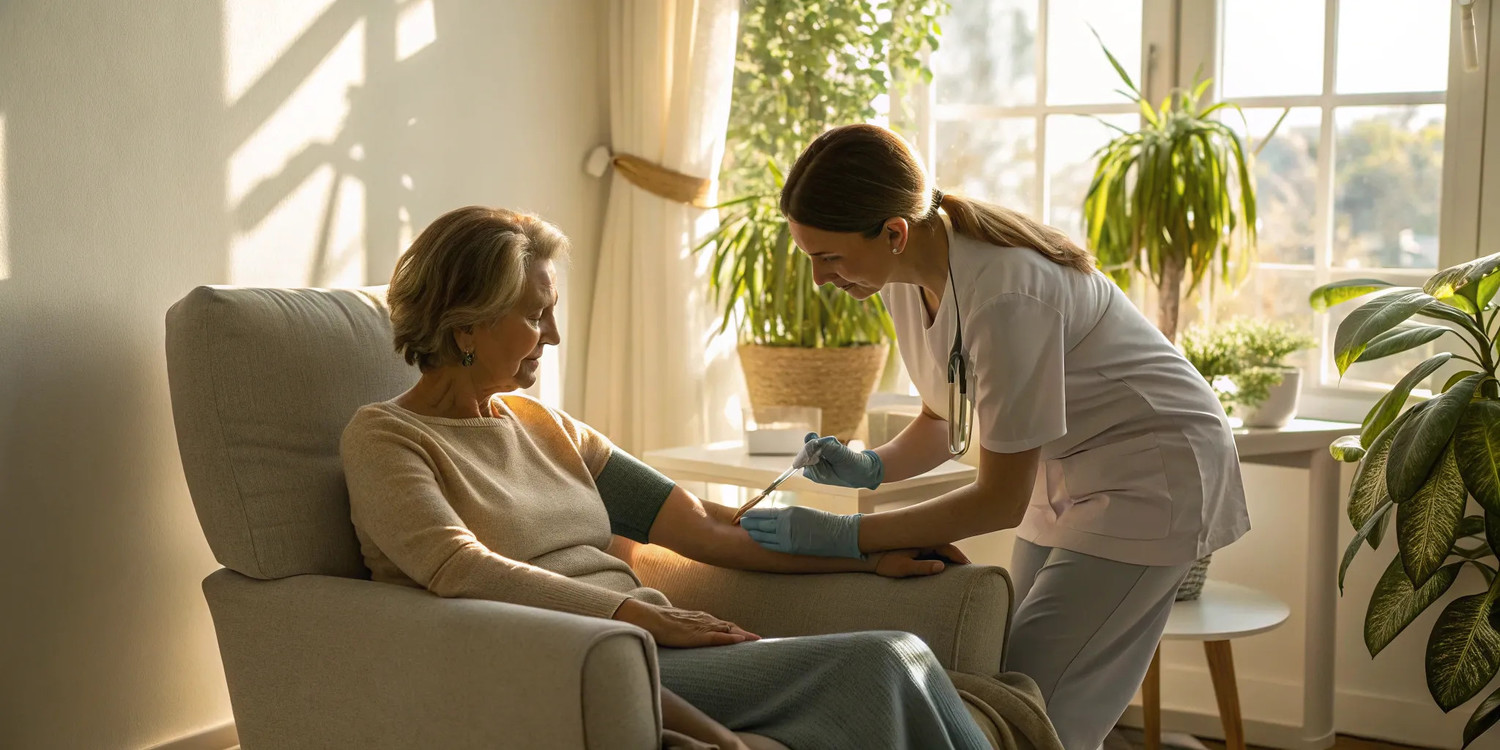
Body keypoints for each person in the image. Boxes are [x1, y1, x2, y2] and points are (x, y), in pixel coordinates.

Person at [339, 205, 992, 750]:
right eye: (536, 315)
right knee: (881, 662)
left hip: (652, 641)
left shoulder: (544, 425)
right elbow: (458, 567)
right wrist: (637, 617)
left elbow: (706, 524)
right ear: (466, 326)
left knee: (895, 659)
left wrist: (866, 551)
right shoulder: (387, 437)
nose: (554, 335)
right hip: (587, 661)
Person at [738, 124, 1250, 750]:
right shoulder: (901, 279)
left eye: (829, 257)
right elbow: (942, 415)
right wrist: (872, 466)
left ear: (894, 232)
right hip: (1063, 470)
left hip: (1152, 474)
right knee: (1009, 686)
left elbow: (998, 500)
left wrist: (847, 537)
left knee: (1038, 712)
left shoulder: (1007, 291)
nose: (820, 278)